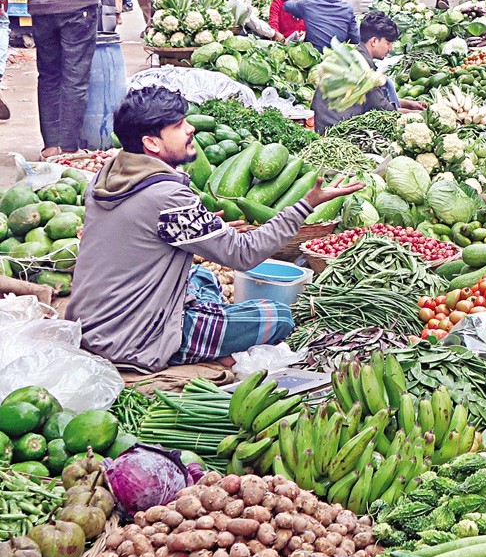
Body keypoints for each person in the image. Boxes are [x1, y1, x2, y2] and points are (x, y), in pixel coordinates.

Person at [66, 86, 362, 373]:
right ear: (152, 143)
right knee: (278, 316)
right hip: (135, 340)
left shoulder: (107, 177)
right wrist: (305, 205)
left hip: (93, 324)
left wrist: (205, 228)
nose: (191, 128)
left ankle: (204, 334)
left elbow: (143, 235)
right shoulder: (167, 197)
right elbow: (244, 255)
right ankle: (188, 349)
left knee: (203, 276)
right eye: (179, 125)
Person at [0, 0, 99, 159]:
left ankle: (51, 147)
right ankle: (69, 148)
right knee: (75, 79)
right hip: (77, 5)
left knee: (49, 77)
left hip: (42, 8)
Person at [311, 11, 425, 133]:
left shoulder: (354, 55)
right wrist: (418, 115)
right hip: (335, 130)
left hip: (323, 123)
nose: (390, 48)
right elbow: (383, 109)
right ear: (374, 41)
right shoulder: (363, 69)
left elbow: (374, 98)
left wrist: (408, 104)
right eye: (388, 43)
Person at [284, 0, 359, 52]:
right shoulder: (347, 8)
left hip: (315, 60)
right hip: (338, 60)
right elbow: (355, 39)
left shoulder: (307, 4)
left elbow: (286, 5)